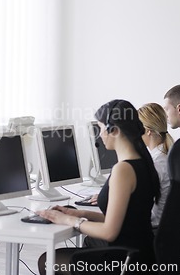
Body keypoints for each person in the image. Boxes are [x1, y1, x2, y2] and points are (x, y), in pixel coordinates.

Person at [36, 99, 160, 275]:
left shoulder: (123, 170)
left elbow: (109, 232)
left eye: (101, 128)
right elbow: (127, 220)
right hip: (138, 255)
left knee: (48, 261)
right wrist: (82, 213)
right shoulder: (142, 163)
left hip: (123, 262)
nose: (100, 134)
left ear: (114, 130)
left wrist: (69, 221)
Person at [138, 102, 174, 228]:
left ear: (148, 131)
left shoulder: (156, 163)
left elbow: (139, 202)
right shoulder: (167, 154)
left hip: (152, 226)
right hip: (164, 226)